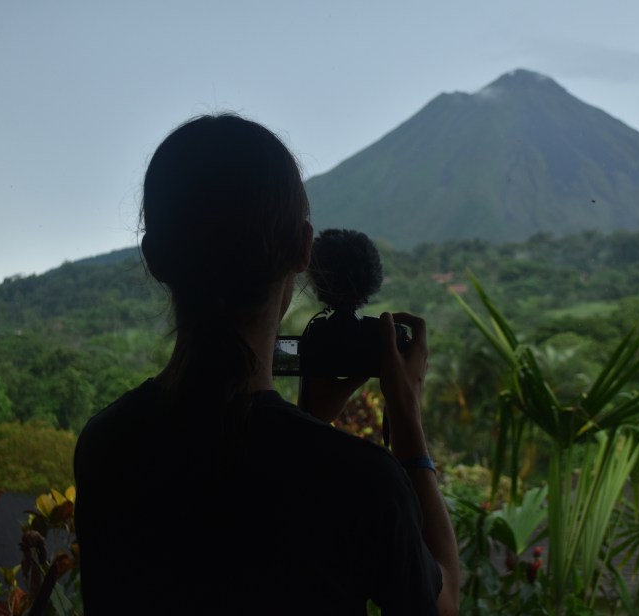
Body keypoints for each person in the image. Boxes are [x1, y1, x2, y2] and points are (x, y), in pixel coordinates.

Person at [73, 114, 460, 614]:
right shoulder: (360, 481)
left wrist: (309, 420)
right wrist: (406, 414)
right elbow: (442, 602)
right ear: (304, 248)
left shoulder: (107, 445)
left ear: (155, 257)